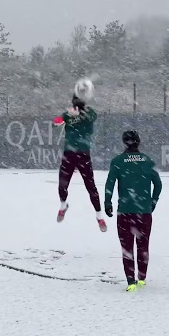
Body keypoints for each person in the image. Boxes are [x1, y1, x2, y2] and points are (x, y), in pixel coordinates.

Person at [103, 130, 162, 292]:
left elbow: (110, 183)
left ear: (124, 142)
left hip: (125, 212)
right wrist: (152, 203)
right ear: (138, 141)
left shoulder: (118, 161)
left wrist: (107, 202)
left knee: (127, 247)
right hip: (143, 212)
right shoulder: (148, 161)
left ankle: (131, 281)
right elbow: (158, 185)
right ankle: (142, 278)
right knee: (143, 246)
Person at [52, 91, 107, 232]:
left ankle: (99, 217)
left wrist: (81, 114)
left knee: (91, 187)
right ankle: (63, 206)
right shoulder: (68, 114)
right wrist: (62, 118)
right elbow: (55, 123)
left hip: (83, 154)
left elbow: (93, 116)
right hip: (69, 154)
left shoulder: (89, 113)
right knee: (62, 184)